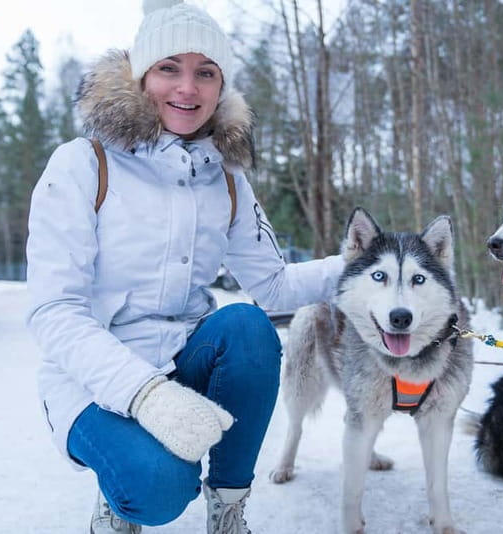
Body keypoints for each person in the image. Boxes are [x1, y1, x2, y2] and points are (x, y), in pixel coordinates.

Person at [25, 1, 343, 533]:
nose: (187, 89)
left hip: (182, 359)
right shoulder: (83, 163)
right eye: (169, 68)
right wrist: (145, 394)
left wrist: (358, 267)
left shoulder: (225, 178)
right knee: (158, 488)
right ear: (142, 74)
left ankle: (228, 506)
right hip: (91, 380)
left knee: (246, 327)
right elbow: (55, 310)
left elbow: (273, 285)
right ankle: (116, 495)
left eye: (206, 73)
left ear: (222, 87)